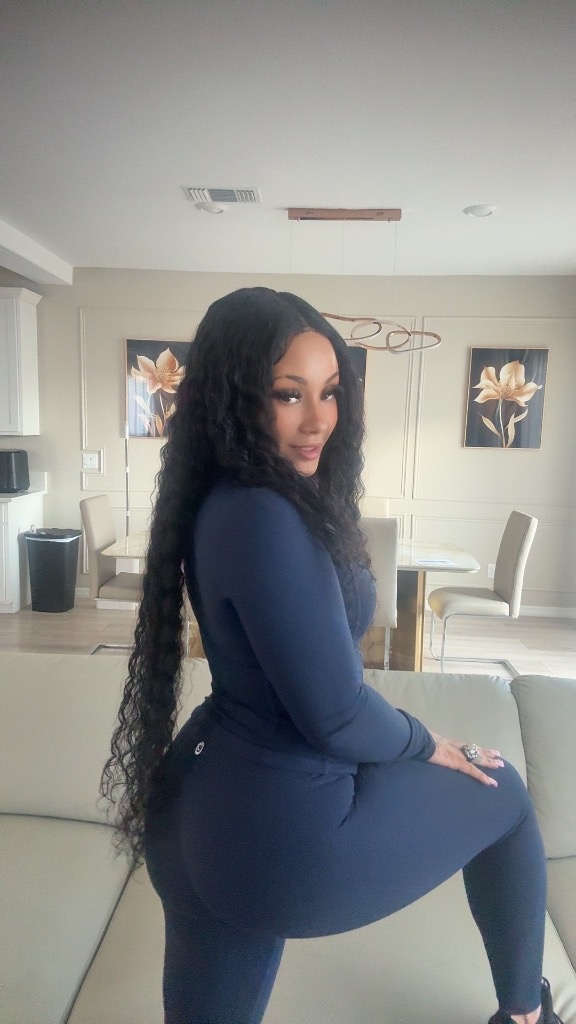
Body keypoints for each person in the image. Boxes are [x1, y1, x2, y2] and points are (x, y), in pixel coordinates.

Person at [101, 287, 563, 1024]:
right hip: (275, 840)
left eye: (330, 391)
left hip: (196, 817)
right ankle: (526, 1014)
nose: (318, 419)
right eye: (289, 394)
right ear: (234, 399)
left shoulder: (222, 500)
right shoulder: (263, 515)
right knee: (503, 793)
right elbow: (338, 717)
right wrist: (427, 741)